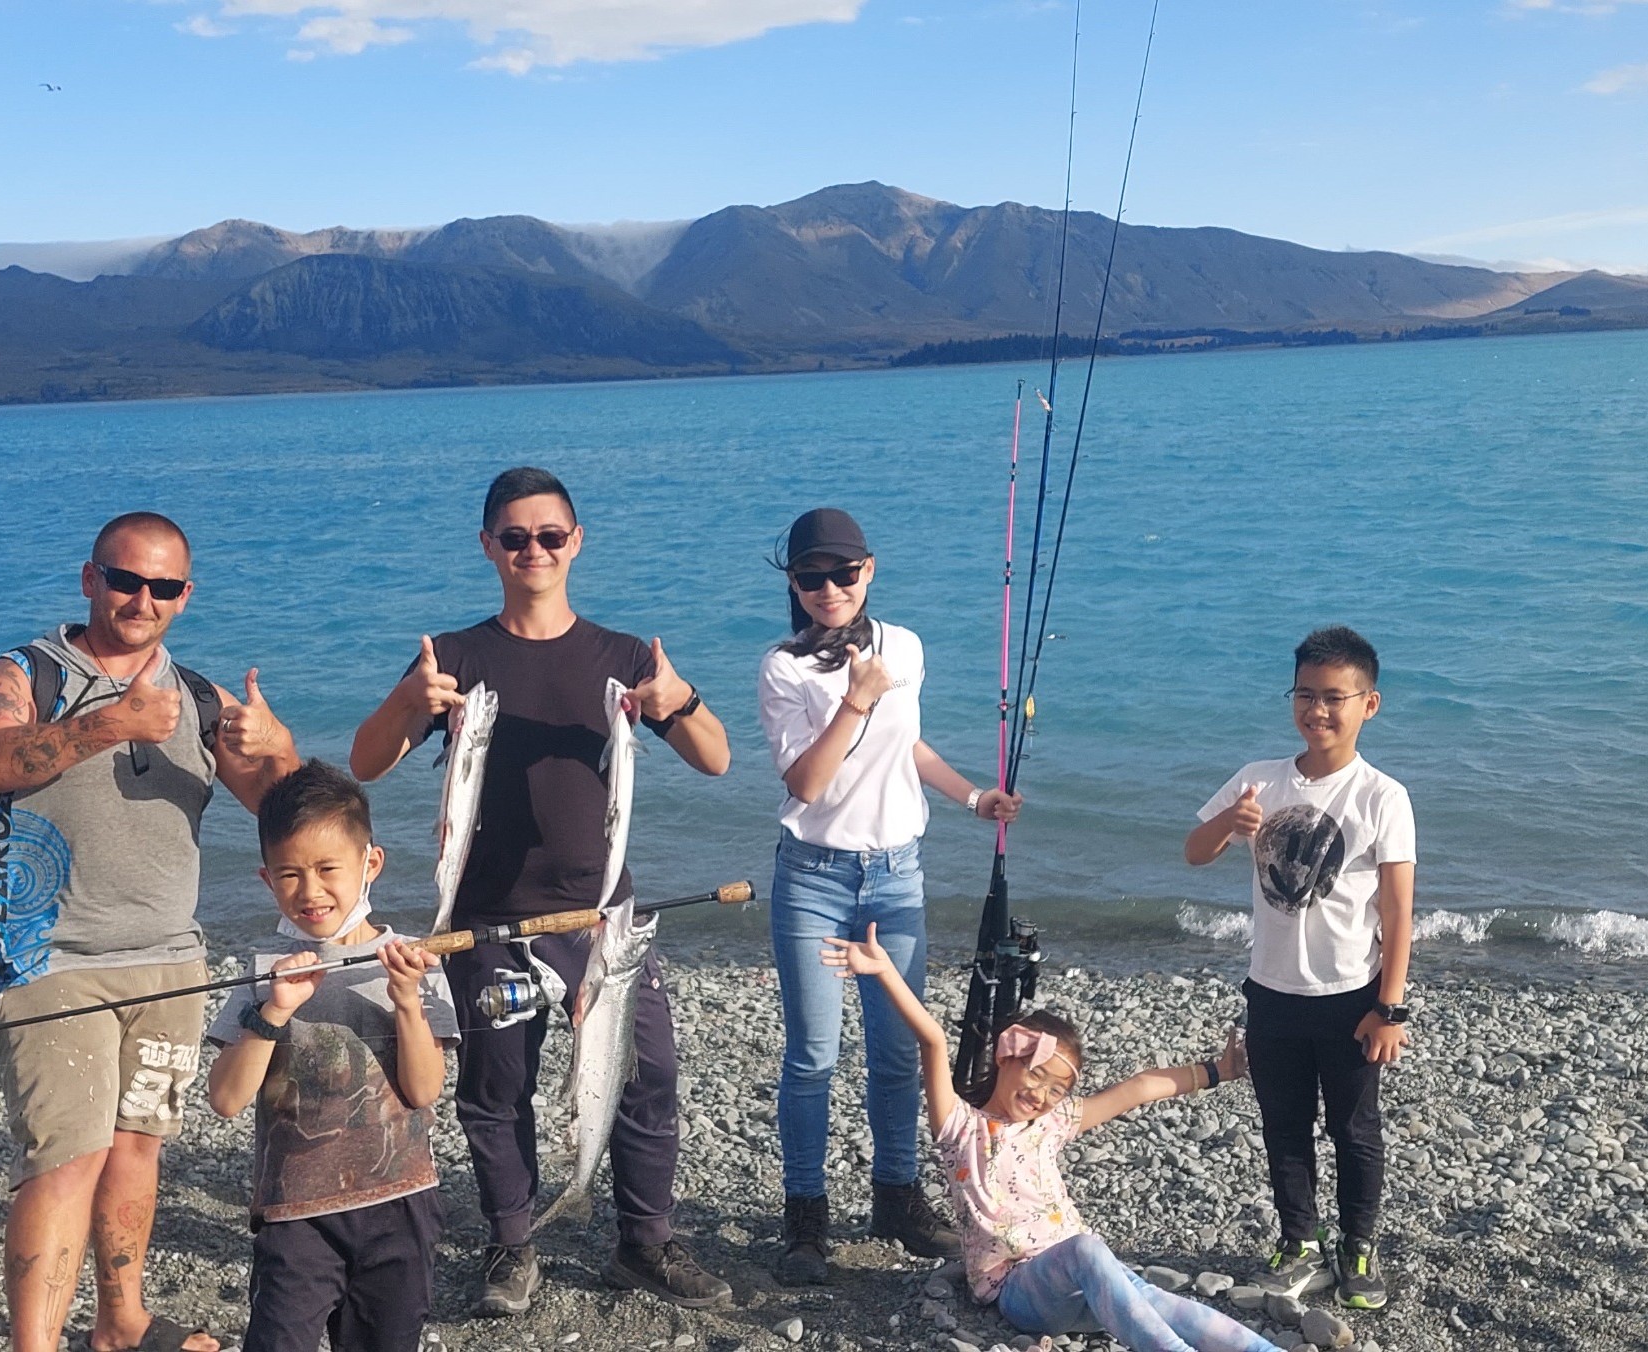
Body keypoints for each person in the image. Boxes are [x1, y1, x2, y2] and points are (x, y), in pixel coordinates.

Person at [350, 466, 733, 1316]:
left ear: (576, 542)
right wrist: (409, 700)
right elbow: (366, 763)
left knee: (645, 1076)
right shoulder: (452, 658)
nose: (534, 550)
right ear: (488, 546)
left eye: (550, 535)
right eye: (515, 537)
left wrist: (683, 699)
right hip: (487, 922)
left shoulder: (627, 658)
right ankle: (512, 1244)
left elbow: (716, 758)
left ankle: (645, 1240)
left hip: (605, 920)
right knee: (497, 1087)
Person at [0, 511, 301, 1352]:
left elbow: (285, 816)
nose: (140, 599)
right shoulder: (29, 670)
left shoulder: (202, 699)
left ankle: (120, 1324)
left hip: (169, 963)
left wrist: (280, 749)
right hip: (50, 959)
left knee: (136, 1149)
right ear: (89, 579)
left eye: (163, 586)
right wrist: (108, 724)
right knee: (62, 1162)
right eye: (124, 579)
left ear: (186, 597)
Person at [755, 507, 1021, 1284]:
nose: (829, 588)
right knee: (812, 1057)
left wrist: (975, 798)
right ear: (795, 584)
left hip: (897, 874)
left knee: (898, 1052)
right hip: (812, 876)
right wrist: (854, 699)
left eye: (844, 573)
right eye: (812, 578)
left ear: (869, 572)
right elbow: (806, 783)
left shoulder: (903, 646)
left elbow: (908, 746)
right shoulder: (784, 668)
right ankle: (805, 1216)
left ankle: (897, 1199)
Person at [823, 927, 1282, 1352]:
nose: (1041, 1095)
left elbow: (1137, 1089)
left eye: (1056, 1090)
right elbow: (934, 1041)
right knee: (1088, 1249)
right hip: (1020, 1289)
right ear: (1007, 1057)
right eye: (1036, 1076)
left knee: (1154, 1298)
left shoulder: (1053, 1123)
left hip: (1085, 1282)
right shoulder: (961, 1127)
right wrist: (885, 971)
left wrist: (1220, 1071)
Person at [1183, 625, 1414, 1311]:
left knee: (1354, 1128)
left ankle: (1359, 1246)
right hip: (1273, 991)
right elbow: (1195, 851)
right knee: (1282, 1123)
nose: (1318, 711)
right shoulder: (1259, 778)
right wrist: (1231, 820)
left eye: (1335, 698)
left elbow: (1399, 912)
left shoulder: (1382, 796)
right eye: (1306, 695)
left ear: (1368, 704)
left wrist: (1389, 1007)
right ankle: (1298, 1242)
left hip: (1351, 995)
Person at [205, 759, 460, 1352]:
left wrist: (406, 1001)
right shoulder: (265, 973)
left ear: (370, 864)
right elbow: (225, 1099)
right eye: (290, 874)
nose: (311, 891)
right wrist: (273, 1011)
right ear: (267, 879)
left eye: (327, 869)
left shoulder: (415, 964)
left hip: (401, 1204)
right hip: (295, 1213)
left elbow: (424, 1091)